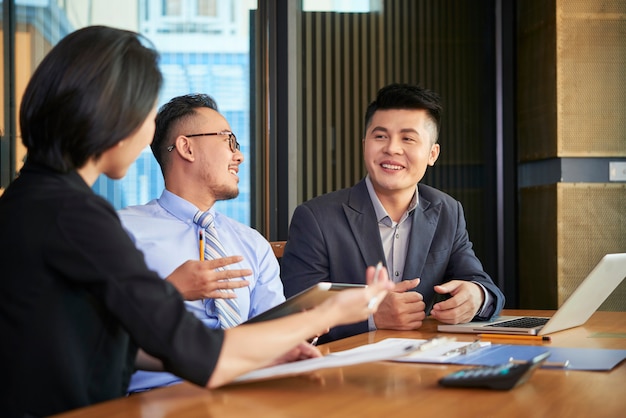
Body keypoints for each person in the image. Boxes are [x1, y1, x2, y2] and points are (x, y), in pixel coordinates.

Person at [0, 26, 393, 417]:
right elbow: (201, 353)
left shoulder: (29, 200)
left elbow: (103, 342)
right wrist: (332, 312)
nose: (149, 131)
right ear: (112, 115)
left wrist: (259, 354)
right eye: (146, 113)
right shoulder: (79, 218)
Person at [281, 83, 505, 344]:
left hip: (423, 365)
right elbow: (296, 315)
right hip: (345, 371)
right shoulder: (316, 218)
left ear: (432, 154)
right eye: (380, 136)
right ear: (365, 144)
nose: (392, 149)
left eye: (408, 138)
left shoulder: (447, 210)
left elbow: (481, 284)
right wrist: (372, 318)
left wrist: (476, 296)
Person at [118, 93, 285, 392]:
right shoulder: (123, 232)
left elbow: (273, 334)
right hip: (153, 400)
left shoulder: (252, 244)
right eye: (228, 140)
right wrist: (169, 289)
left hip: (245, 393)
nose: (239, 156)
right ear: (186, 147)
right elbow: (97, 332)